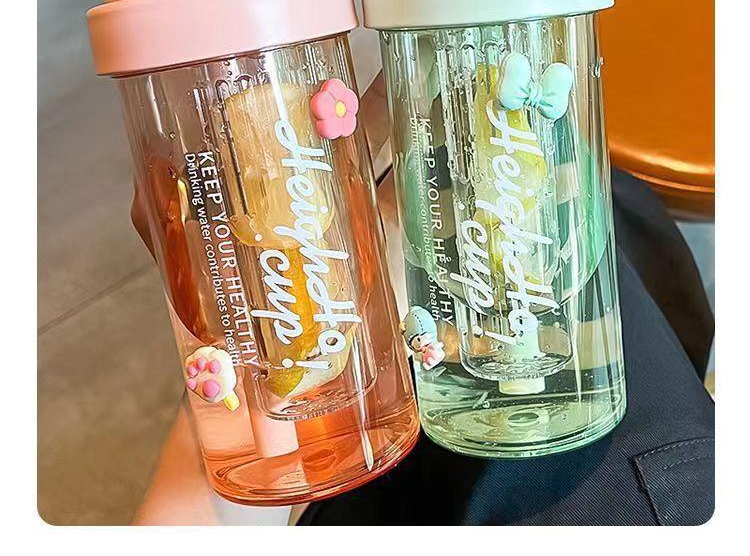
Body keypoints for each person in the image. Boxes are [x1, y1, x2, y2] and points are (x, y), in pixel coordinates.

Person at [132, 74, 715, 527]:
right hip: (647, 466)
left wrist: (239, 367)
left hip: (396, 466)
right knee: (571, 222)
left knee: (545, 219)